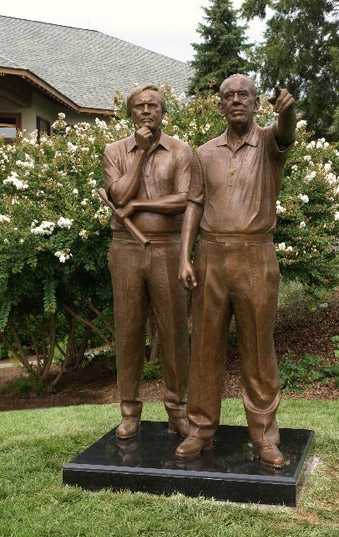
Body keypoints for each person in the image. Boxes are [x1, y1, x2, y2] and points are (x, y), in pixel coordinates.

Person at [175, 74, 296, 468]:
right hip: (210, 255)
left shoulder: (268, 144)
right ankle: (201, 429)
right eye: (229, 96)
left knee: (258, 350)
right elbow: (194, 203)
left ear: (257, 103)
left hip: (255, 256)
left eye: (244, 94)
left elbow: (286, 132)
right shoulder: (204, 152)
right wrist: (184, 256)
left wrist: (289, 111)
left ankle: (264, 435)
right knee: (205, 347)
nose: (237, 100)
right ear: (221, 106)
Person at [103, 84, 192, 439]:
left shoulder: (180, 151)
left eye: (153, 106)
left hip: (167, 248)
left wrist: (140, 206)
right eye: (139, 106)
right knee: (127, 330)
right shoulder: (114, 151)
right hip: (125, 248)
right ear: (130, 113)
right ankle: (129, 411)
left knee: (173, 332)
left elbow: (184, 200)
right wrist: (139, 154)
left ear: (163, 112)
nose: (146, 111)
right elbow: (119, 194)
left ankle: (177, 409)